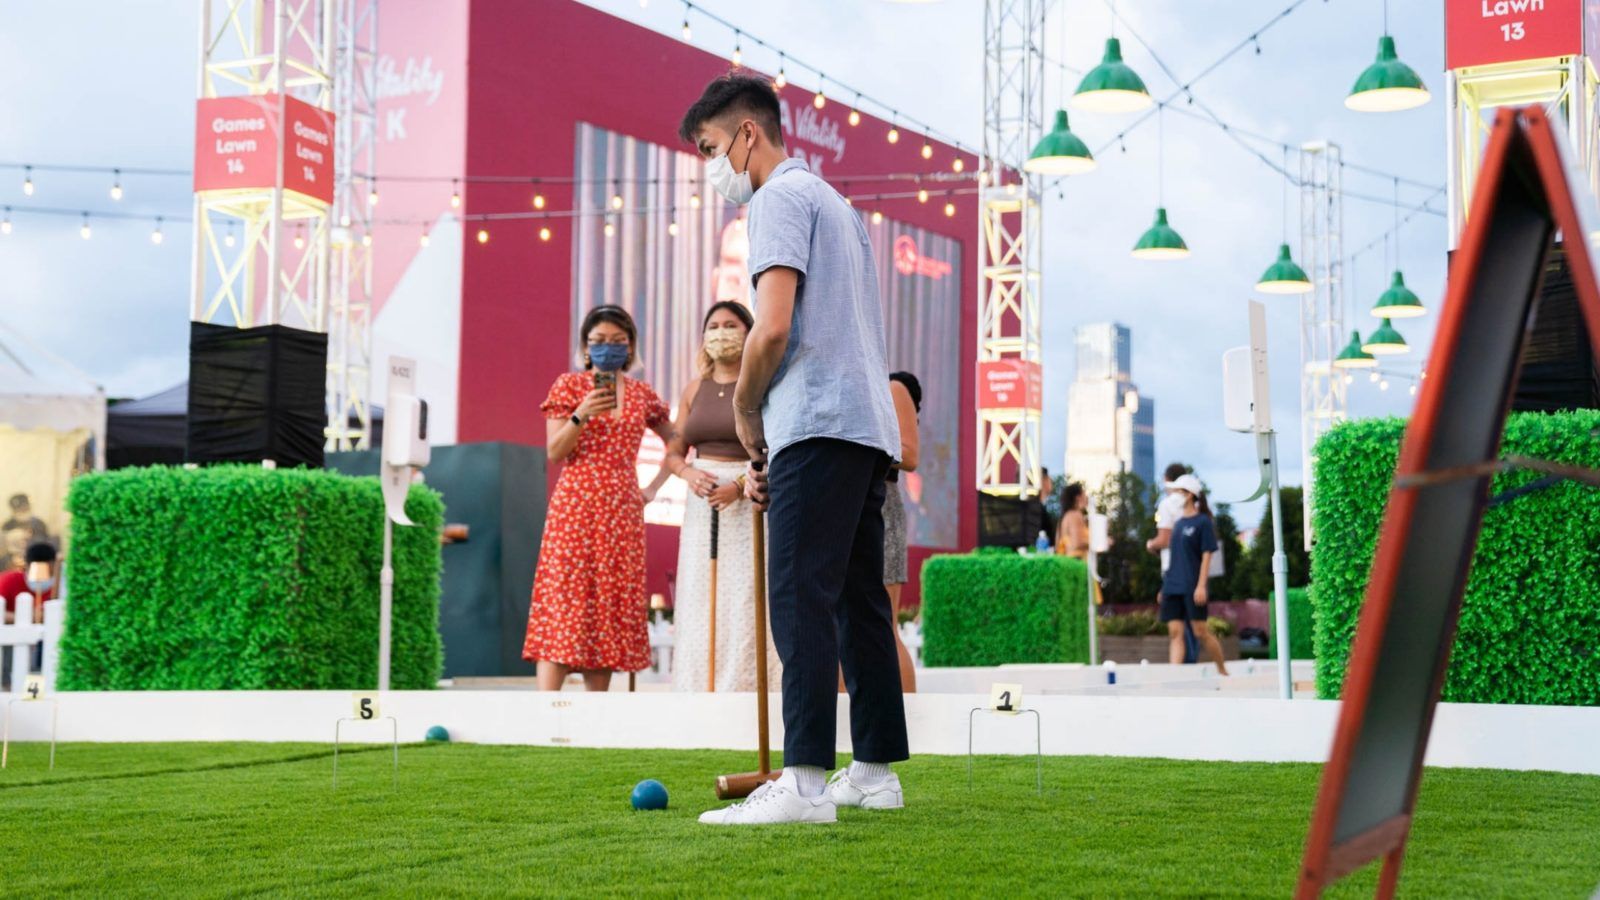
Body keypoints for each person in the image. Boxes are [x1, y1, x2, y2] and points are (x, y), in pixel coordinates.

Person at [682, 72, 907, 826]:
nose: (714, 167)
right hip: (862, 424)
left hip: (814, 419)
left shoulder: (778, 198)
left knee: (801, 598)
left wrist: (747, 408)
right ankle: (873, 771)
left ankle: (805, 781)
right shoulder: (839, 206)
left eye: (712, 148)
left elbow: (771, 326)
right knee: (855, 600)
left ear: (747, 135)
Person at [523, 305, 675, 692]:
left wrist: (654, 486)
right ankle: (547, 710)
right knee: (565, 597)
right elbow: (555, 452)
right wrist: (582, 414)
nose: (608, 348)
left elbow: (677, 442)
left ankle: (596, 713)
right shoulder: (569, 387)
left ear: (631, 347)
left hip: (622, 508)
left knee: (608, 602)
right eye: (599, 341)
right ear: (585, 348)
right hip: (574, 506)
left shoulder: (642, 395)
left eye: (617, 342)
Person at [655, 301, 781, 692]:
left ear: (749, 333)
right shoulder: (695, 388)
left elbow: (778, 447)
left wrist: (740, 486)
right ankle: (699, 686)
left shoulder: (765, 383)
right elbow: (675, 451)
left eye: (731, 325)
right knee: (700, 595)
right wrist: (688, 473)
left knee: (747, 596)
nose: (721, 332)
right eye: (714, 325)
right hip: (702, 504)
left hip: (751, 498)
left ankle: (747, 688)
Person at [1160, 474, 1230, 675]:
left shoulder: (1202, 522)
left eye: (1178, 491)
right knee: (1175, 632)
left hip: (1191, 585)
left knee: (1200, 631)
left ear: (1189, 495)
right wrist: (1164, 587)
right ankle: (1175, 675)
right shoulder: (1178, 524)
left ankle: (1222, 669)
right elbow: (1173, 558)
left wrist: (1201, 585)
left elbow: (1207, 555)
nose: (1174, 495)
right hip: (1172, 585)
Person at [882, 371, 922, 693]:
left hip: (880, 508)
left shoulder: (892, 387)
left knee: (883, 625)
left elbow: (909, 455)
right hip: (841, 504)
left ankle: (908, 715)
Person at [1145, 462, 1192, 576]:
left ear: (1167, 479)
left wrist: (1150, 544)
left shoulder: (1167, 504)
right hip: (1195, 566)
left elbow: (1165, 539)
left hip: (1174, 568)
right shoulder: (1195, 503)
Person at [2, 494, 51, 571]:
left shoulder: (39, 524)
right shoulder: (8, 525)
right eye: (19, 510)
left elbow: (44, 545)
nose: (22, 511)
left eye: (24, 508)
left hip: (35, 561)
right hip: (12, 562)